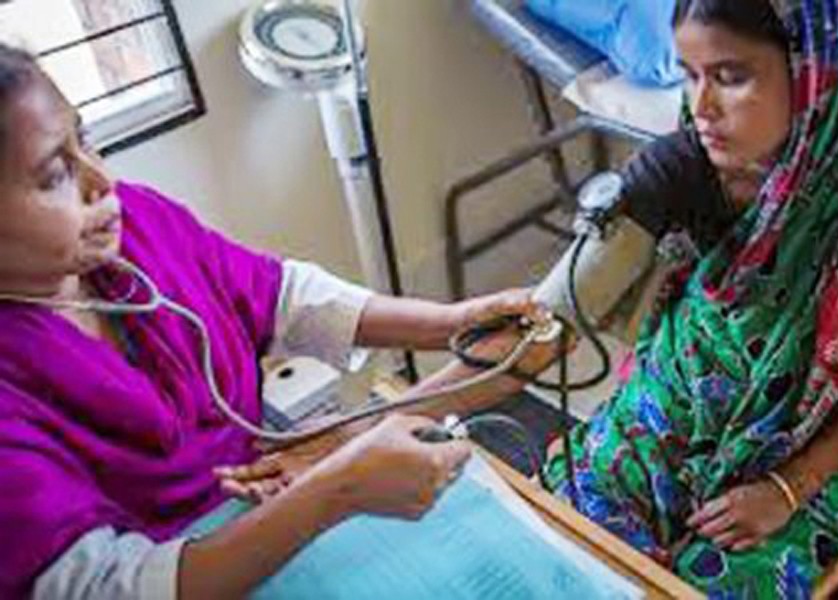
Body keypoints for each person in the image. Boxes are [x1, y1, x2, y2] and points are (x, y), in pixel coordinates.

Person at [229, 0, 838, 597]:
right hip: (677, 403)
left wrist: (793, 487)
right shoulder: (680, 168)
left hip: (814, 443)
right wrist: (356, 436)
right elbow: (543, 331)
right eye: (690, 75)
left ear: (822, 74)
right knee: (570, 549)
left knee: (730, 579)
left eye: (730, 77)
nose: (700, 110)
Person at [0, 43, 540, 599]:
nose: (101, 181)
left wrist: (448, 323)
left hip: (266, 495)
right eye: (54, 175)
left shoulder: (139, 223)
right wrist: (337, 491)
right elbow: (110, 589)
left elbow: (278, 293)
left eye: (84, 139)